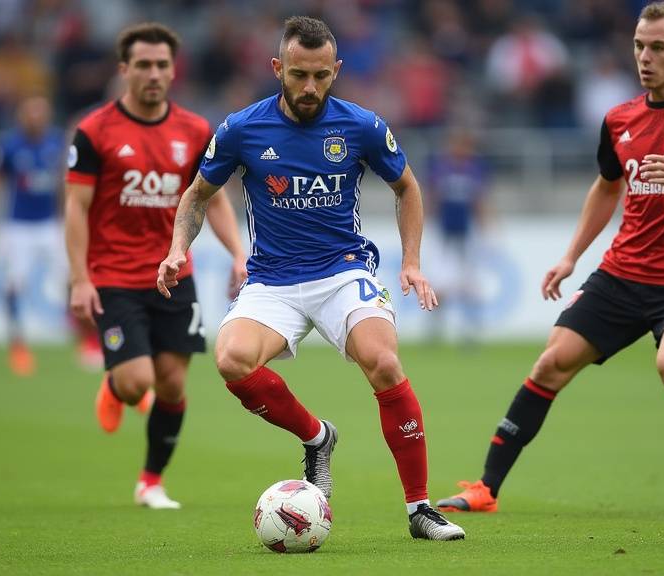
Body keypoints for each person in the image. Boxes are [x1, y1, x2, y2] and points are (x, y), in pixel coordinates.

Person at [437, 2, 664, 514]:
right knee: (549, 365)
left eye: (658, 48)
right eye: (638, 46)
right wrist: (569, 257)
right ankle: (486, 489)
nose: (644, 57)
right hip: (622, 271)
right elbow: (607, 188)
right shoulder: (619, 118)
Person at [157, 16, 465, 541]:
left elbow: (408, 188)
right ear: (277, 67)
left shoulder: (362, 126)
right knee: (231, 359)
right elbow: (196, 195)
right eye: (299, 74)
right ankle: (317, 438)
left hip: (343, 273)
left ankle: (420, 509)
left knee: (385, 363)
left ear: (336, 70)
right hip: (273, 280)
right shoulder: (241, 129)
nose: (309, 88)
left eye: (321, 76)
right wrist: (176, 249)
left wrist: (411, 262)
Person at [65, 23, 247, 510]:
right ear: (124, 70)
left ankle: (150, 482)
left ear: (173, 70)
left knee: (171, 384)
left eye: (162, 65)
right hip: (114, 278)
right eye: (143, 65)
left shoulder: (193, 131)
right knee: (137, 382)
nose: (153, 73)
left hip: (173, 275)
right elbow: (76, 207)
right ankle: (116, 382)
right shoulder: (94, 131)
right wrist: (80, 279)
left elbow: (213, 199)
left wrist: (238, 253)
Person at [0, 95, 65, 377]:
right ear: (22, 116)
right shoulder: (9, 146)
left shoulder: (56, 142)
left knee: (72, 278)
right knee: (14, 285)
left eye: (41, 113)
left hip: (51, 224)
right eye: (31, 113)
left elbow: (67, 183)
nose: (36, 119)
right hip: (18, 227)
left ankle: (85, 339)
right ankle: (17, 344)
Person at [426, 126, 489, 345]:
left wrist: (485, 226)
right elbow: (432, 197)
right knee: (440, 283)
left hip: (465, 233)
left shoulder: (474, 169)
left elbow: (479, 200)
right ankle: (436, 329)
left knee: (467, 285)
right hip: (444, 232)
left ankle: (468, 331)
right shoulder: (441, 168)